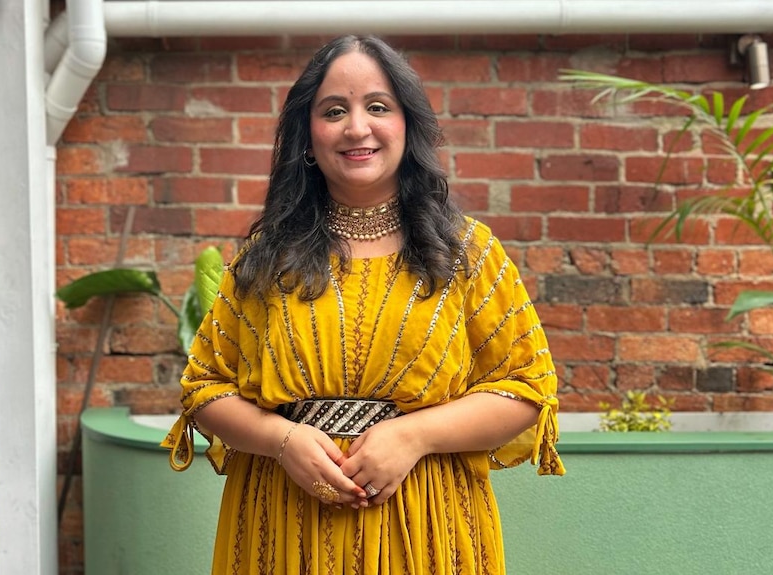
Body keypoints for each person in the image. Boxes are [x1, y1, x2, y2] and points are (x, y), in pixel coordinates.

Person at [162, 34, 565, 575]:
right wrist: (282, 440)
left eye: (378, 107)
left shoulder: (466, 252)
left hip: (428, 526)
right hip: (283, 525)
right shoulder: (267, 257)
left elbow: (527, 386)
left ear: (408, 126)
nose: (357, 128)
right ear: (308, 136)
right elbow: (205, 386)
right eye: (334, 111)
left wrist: (414, 435)